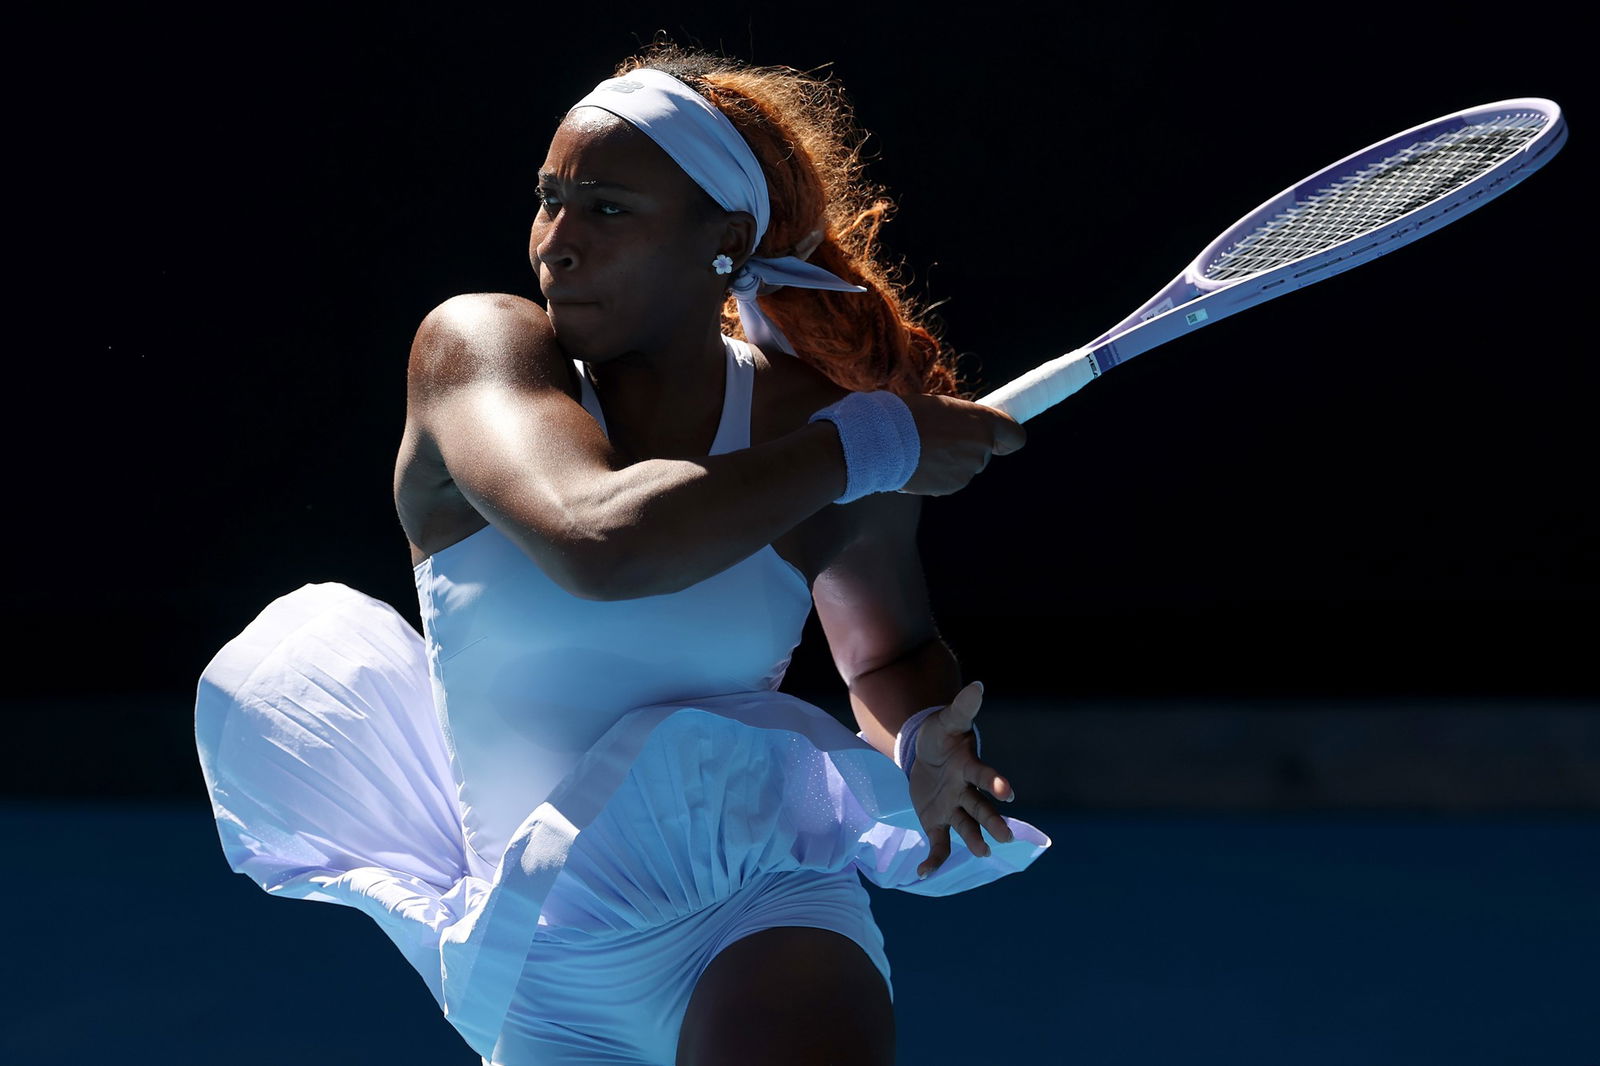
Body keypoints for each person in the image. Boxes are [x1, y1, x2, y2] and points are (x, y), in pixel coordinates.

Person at [195, 42, 1050, 1066]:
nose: (555, 243)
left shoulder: (814, 427)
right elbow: (600, 540)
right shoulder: (478, 348)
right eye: (548, 199)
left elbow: (884, 653)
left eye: (605, 209)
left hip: (757, 899)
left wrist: (917, 740)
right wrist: (867, 445)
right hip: (541, 966)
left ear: (724, 241)